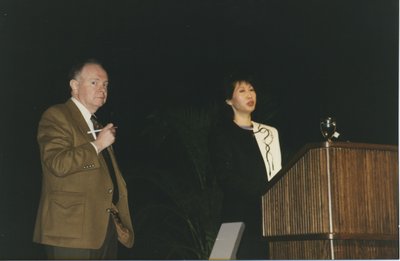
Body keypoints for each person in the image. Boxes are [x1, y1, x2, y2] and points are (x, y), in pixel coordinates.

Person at [33, 59, 134, 259]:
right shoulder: (57, 115)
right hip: (71, 232)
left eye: (105, 84)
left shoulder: (96, 123)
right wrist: (97, 145)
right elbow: (57, 163)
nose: (102, 89)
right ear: (75, 86)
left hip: (103, 229)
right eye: (94, 82)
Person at [209, 77, 282, 259]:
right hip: (237, 215)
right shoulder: (222, 134)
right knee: (225, 257)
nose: (250, 94)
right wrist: (262, 192)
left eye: (252, 89)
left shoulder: (269, 133)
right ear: (229, 100)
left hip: (269, 216)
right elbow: (226, 179)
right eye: (242, 91)